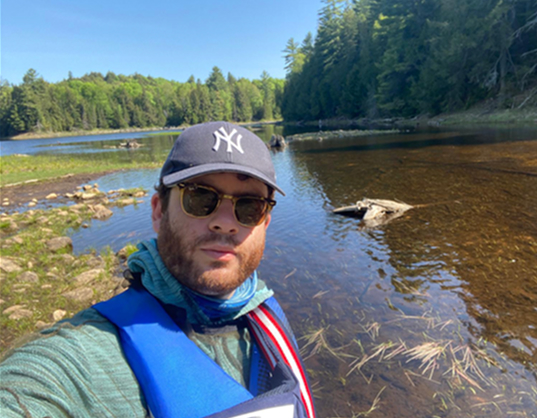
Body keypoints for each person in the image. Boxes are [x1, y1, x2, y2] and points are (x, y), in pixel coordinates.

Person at [0, 122, 315, 418]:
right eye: (200, 197)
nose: (225, 222)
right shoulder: (78, 360)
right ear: (158, 211)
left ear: (265, 222)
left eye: (249, 206)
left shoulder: (264, 314)